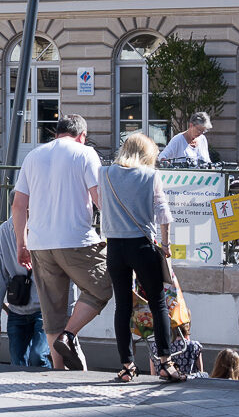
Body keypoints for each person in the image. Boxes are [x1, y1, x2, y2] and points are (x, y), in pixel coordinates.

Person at [12, 113, 113, 371]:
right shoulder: (85, 153)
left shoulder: (33, 156)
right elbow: (99, 199)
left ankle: (59, 370)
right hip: (76, 239)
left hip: (39, 243)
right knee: (102, 286)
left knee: (52, 311)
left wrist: (21, 244)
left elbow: (19, 205)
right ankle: (68, 336)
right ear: (82, 136)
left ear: (56, 133)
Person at [100, 132, 184, 382]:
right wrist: (166, 245)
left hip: (115, 247)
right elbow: (164, 215)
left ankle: (126, 366)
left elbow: (101, 206)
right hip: (142, 246)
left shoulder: (105, 173)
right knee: (158, 304)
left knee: (122, 306)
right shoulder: (150, 175)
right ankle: (165, 364)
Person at [0, 216, 51, 368]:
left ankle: (44, 383)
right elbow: (0, 277)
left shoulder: (42, 225)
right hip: (17, 309)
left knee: (38, 357)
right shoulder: (4, 231)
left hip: (43, 309)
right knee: (17, 363)